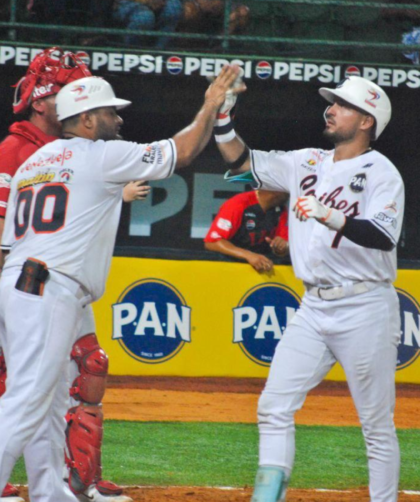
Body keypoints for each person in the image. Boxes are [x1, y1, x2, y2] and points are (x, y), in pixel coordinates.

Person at [0, 65, 242, 502]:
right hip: (48, 287)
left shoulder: (35, 162)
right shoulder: (99, 155)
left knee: (51, 404)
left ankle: (50, 494)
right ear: (88, 119)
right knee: (26, 403)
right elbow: (181, 152)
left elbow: (9, 243)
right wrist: (210, 105)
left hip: (22, 283)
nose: (119, 120)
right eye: (111, 112)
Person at [215, 75, 404, 502]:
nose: (330, 109)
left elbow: (383, 235)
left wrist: (330, 215)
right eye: (332, 102)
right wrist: (223, 116)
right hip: (314, 308)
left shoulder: (382, 172)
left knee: (376, 425)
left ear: (366, 121)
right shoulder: (306, 161)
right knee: (273, 406)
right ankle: (268, 499)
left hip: (365, 305)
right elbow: (242, 160)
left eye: (342, 105)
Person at [0, 47, 148, 502]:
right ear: (43, 102)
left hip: (54, 283)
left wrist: (114, 196)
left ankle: (68, 483)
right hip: (31, 282)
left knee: (79, 373)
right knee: (25, 392)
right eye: (66, 89)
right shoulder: (18, 150)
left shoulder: (61, 153)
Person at [204, 189, 289, 273]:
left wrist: (281, 247)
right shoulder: (238, 203)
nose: (290, 191)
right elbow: (212, 242)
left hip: (262, 268)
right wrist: (248, 255)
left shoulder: (281, 209)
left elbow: (281, 249)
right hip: (229, 267)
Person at [113, 0, 183, 49]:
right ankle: (131, 54)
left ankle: (159, 54)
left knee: (173, 9)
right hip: (128, 4)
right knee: (145, 17)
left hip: (161, 3)